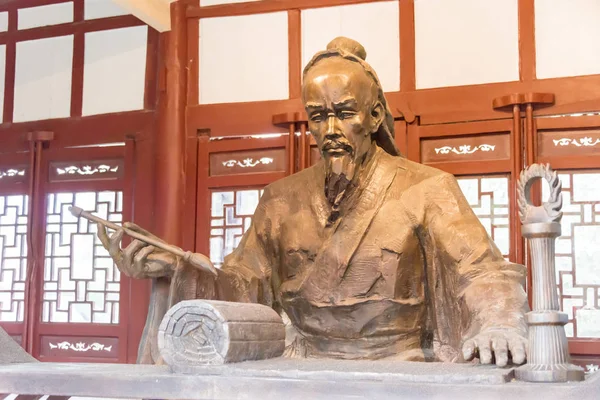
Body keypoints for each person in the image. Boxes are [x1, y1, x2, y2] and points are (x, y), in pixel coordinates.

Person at [99, 37, 529, 366]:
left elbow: (482, 271)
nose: (331, 130)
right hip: (299, 365)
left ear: (375, 115)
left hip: (399, 369)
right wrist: (178, 268)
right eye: (319, 117)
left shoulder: (427, 188)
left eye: (345, 112)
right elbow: (245, 285)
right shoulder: (281, 199)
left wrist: (500, 321)